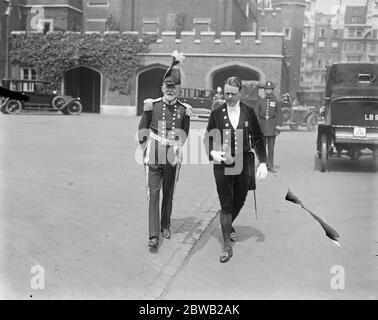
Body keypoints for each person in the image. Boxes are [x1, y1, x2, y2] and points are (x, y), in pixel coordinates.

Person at [203, 76, 268, 263]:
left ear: (240, 93)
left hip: (243, 162)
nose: (229, 97)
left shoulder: (248, 112)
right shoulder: (217, 113)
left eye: (232, 93)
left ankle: (227, 225)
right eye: (226, 93)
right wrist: (212, 153)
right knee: (226, 203)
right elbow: (208, 137)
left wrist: (262, 161)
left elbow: (258, 138)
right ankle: (227, 247)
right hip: (222, 163)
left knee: (240, 198)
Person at [137, 51, 191, 249]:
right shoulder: (152, 106)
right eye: (167, 87)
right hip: (153, 153)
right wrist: (146, 150)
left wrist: (176, 147)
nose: (170, 90)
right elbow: (142, 130)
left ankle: (165, 224)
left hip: (172, 155)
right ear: (162, 87)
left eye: (174, 87)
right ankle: (153, 234)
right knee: (153, 193)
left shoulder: (185, 110)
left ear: (179, 89)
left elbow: (185, 133)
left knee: (169, 192)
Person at [255, 81, 282, 172]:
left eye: (270, 89)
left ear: (272, 90)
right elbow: (256, 115)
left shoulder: (277, 101)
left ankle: (270, 165)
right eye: (266, 89)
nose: (268, 91)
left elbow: (279, 115)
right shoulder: (260, 102)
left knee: (271, 148)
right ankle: (262, 164)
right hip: (262, 127)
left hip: (272, 127)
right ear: (264, 90)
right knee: (261, 147)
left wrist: (278, 127)